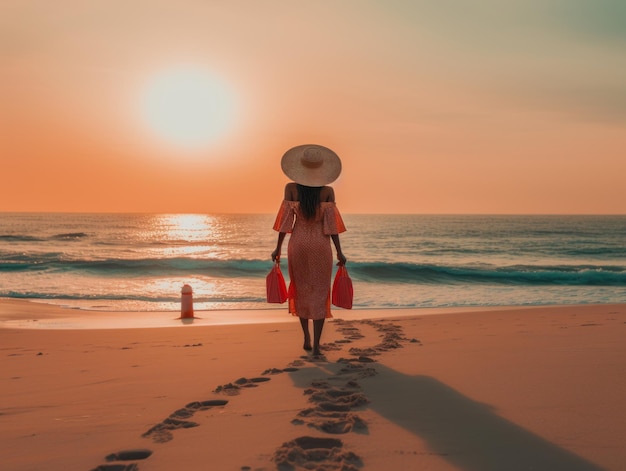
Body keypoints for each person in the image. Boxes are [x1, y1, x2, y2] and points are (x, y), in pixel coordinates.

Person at [271, 144, 347, 357]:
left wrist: (277, 249)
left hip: (299, 244)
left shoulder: (291, 189)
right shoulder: (328, 192)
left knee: (301, 290)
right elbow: (332, 228)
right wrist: (340, 252)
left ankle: (306, 337)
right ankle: (316, 347)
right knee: (320, 293)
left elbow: (285, 224)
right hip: (321, 246)